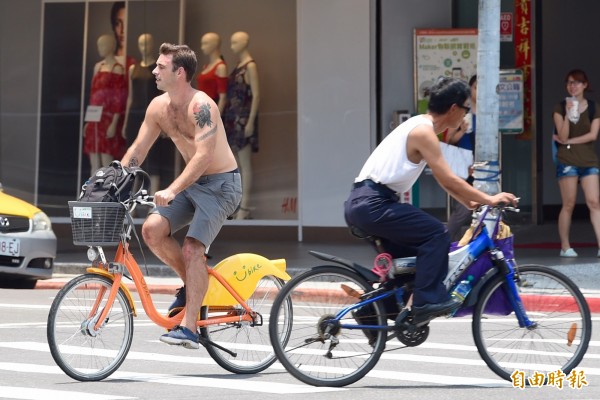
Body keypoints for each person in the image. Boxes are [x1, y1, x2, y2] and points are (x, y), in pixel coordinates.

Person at [344, 77, 517, 322]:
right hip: (374, 203)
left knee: (412, 265)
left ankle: (372, 314)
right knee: (437, 234)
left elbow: (442, 179)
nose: (466, 116)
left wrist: (470, 202)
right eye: (466, 109)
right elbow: (448, 178)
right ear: (454, 109)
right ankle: (426, 302)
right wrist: (489, 198)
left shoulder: (419, 125)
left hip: (366, 203)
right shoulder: (424, 133)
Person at [121, 43, 242, 349]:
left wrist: (172, 189)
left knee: (192, 248)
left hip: (221, 185)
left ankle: (189, 328)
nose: (154, 71)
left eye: (161, 67)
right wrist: (116, 179)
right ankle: (192, 285)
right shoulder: (158, 108)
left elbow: (203, 157)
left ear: (180, 72)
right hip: (193, 184)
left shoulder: (202, 106)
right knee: (151, 230)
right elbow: (139, 148)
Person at [552, 69, 600, 257]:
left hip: (589, 159)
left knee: (594, 202)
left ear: (585, 85)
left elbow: (592, 135)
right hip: (568, 160)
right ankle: (565, 246)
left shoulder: (594, 107)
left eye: (577, 82)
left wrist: (569, 141)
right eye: (570, 83)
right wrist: (567, 114)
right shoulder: (560, 106)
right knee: (569, 203)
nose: (573, 86)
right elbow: (562, 135)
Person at [122, 33, 174, 194]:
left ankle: (153, 202)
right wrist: (125, 123)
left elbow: (166, 96)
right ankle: (132, 202)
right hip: (134, 116)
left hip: (153, 117)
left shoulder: (159, 68)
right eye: (141, 44)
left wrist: (167, 123)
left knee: (153, 159)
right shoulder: (133, 68)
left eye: (147, 44)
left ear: (153, 46)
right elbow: (130, 96)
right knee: (134, 158)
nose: (144, 47)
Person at [222, 31, 260, 220]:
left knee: (244, 164)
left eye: (235, 42)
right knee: (235, 166)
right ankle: (237, 204)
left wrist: (251, 121)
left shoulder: (250, 66)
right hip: (233, 119)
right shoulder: (239, 66)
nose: (232, 46)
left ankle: (244, 207)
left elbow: (257, 95)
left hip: (243, 120)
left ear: (244, 42)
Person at [83, 34, 128, 172]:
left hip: (108, 119)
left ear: (111, 46)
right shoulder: (98, 67)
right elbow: (93, 95)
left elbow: (118, 99)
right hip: (95, 118)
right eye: (99, 45)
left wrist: (114, 123)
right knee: (94, 160)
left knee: (106, 159)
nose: (100, 48)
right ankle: (93, 192)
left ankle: (109, 192)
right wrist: (89, 121)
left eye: (103, 45)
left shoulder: (117, 68)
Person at [445, 75, 477, 241]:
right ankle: (446, 239)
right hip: (463, 165)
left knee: (480, 207)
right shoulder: (462, 112)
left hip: (482, 165)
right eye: (476, 88)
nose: (479, 92)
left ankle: (456, 243)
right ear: (470, 90)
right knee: (464, 209)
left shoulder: (489, 112)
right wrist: (462, 130)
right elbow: (449, 140)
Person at [196, 32, 228, 114]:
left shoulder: (220, 67)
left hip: (211, 109)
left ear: (215, 44)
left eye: (205, 43)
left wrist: (216, 119)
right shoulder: (206, 67)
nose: (202, 47)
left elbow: (223, 97)